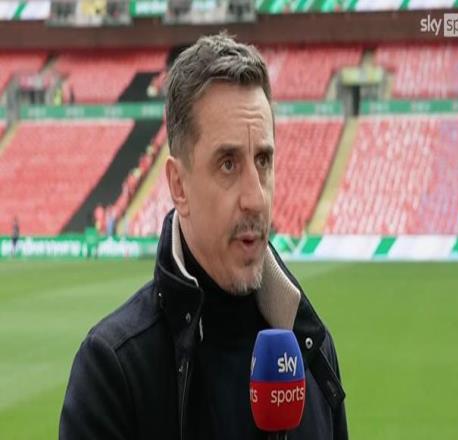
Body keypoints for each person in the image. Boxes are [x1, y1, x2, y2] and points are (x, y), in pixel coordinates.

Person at [59, 33, 348, 440]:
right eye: (228, 164)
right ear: (178, 185)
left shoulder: (313, 351)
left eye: (263, 160)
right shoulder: (113, 372)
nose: (255, 198)